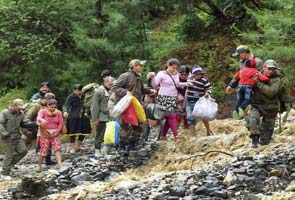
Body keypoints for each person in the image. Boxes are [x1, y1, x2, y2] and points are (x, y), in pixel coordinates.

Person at [227, 60, 284, 148]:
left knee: (265, 142)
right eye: (269, 69)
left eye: (273, 69)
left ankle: (263, 138)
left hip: (271, 108)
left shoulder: (277, 79)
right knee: (252, 120)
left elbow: (271, 92)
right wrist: (231, 86)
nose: (271, 71)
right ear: (264, 67)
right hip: (257, 105)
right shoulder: (255, 74)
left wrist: (258, 82)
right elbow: (241, 77)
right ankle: (254, 139)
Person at [111, 59, 156, 150]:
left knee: (138, 125)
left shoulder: (138, 77)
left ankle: (132, 145)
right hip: (125, 106)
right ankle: (122, 146)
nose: (142, 67)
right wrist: (125, 92)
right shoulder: (125, 76)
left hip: (136, 105)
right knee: (124, 126)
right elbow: (114, 87)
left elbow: (141, 89)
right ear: (135, 66)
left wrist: (149, 90)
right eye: (141, 65)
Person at [150, 58, 190, 140]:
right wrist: (152, 77)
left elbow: (177, 84)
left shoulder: (176, 74)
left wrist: (186, 84)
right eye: (173, 68)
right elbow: (155, 84)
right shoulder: (161, 74)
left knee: (169, 118)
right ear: (168, 66)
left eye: (176, 68)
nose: (174, 70)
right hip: (163, 97)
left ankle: (163, 136)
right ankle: (176, 135)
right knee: (171, 116)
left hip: (172, 97)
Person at [0, 99, 37, 180]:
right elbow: (1, 124)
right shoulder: (5, 112)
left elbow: (24, 123)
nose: (21, 109)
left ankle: (9, 165)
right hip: (6, 137)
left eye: (21, 107)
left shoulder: (21, 113)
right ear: (14, 105)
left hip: (17, 136)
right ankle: (4, 173)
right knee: (8, 155)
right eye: (19, 107)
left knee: (23, 151)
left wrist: (35, 124)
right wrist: (5, 133)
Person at [228, 45, 268, 119]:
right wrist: (231, 85)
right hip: (244, 88)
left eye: (239, 54)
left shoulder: (258, 62)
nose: (239, 57)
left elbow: (261, 75)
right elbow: (238, 75)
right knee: (242, 102)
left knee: (254, 111)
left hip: (256, 90)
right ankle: (240, 118)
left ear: (244, 53)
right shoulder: (241, 62)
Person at [24, 93, 57, 166]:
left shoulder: (48, 107)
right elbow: (27, 117)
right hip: (33, 127)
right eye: (50, 101)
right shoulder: (36, 106)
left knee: (49, 143)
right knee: (38, 145)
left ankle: (48, 160)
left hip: (44, 128)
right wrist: (29, 128)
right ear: (46, 99)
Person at [63, 84, 91, 154]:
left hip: (83, 116)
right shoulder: (71, 96)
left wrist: (87, 112)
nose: (77, 92)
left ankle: (78, 146)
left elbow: (88, 105)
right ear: (74, 90)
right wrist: (65, 111)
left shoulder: (85, 96)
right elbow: (66, 105)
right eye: (76, 90)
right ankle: (72, 147)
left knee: (84, 131)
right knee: (72, 132)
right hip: (73, 116)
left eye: (79, 91)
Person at [91, 76, 115, 156]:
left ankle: (106, 149)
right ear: (105, 82)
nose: (110, 85)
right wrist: (95, 118)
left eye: (112, 84)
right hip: (101, 116)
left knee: (109, 133)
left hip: (110, 115)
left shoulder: (111, 91)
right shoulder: (98, 91)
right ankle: (97, 150)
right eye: (109, 84)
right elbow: (94, 106)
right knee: (100, 133)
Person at [186, 65, 213, 136]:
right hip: (189, 101)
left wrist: (207, 93)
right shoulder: (189, 79)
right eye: (196, 74)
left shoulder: (204, 81)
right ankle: (193, 135)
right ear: (193, 74)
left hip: (199, 102)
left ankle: (208, 131)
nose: (198, 76)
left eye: (200, 74)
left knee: (203, 116)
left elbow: (209, 88)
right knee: (190, 118)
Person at [37, 99, 63, 172]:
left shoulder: (58, 113)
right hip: (45, 133)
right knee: (44, 150)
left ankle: (60, 165)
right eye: (51, 107)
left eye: (54, 107)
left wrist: (57, 132)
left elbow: (61, 123)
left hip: (55, 133)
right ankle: (39, 166)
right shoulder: (43, 111)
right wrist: (42, 120)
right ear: (47, 106)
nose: (53, 109)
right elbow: (38, 118)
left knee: (57, 148)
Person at [177, 65, 190, 129]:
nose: (184, 76)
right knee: (178, 113)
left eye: (186, 74)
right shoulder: (176, 78)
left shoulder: (191, 78)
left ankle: (186, 128)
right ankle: (176, 129)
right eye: (182, 74)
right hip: (178, 97)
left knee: (187, 114)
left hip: (188, 97)